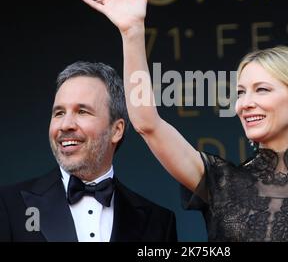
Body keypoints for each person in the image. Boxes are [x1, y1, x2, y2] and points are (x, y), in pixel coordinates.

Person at [81, 0, 288, 241]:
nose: (245, 103)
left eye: (261, 90)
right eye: (241, 93)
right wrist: (132, 33)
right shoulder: (220, 180)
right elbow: (146, 124)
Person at [0, 62, 177, 242]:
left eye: (82, 111)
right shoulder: (8, 205)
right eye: (59, 113)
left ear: (116, 130)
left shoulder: (158, 222)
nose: (66, 125)